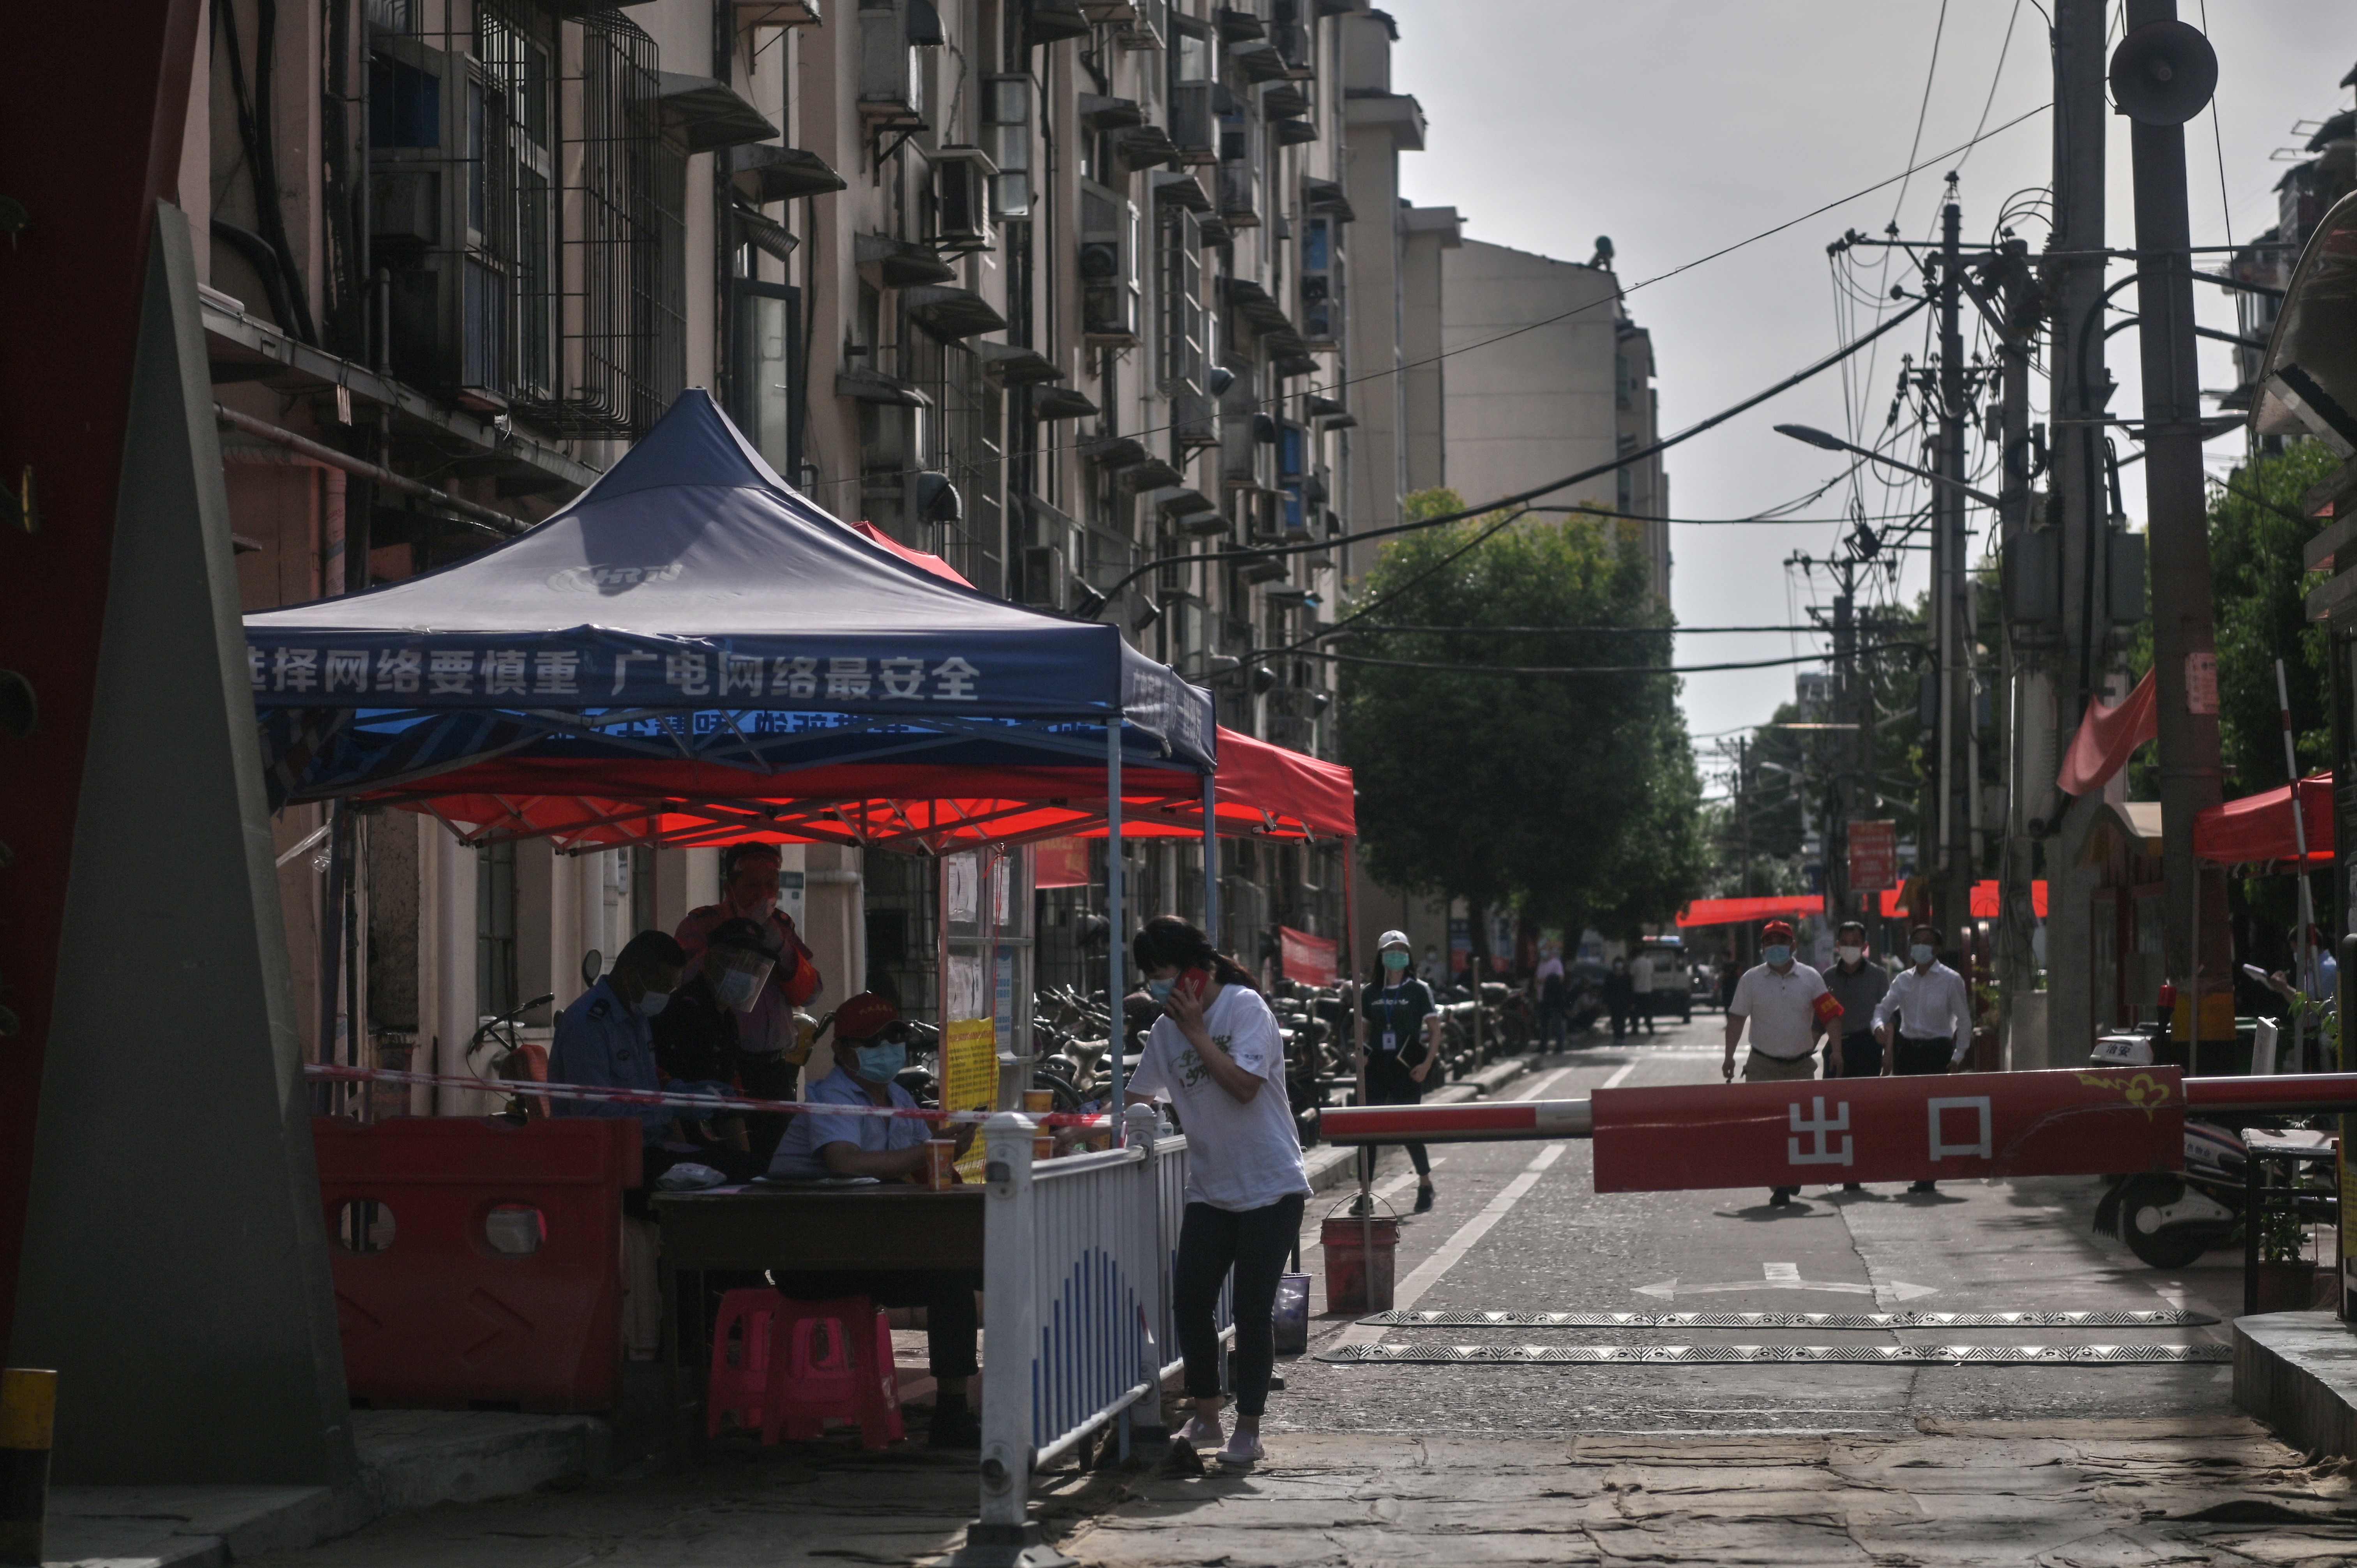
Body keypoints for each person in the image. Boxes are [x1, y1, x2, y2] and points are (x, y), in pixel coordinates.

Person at [1124, 916, 1311, 1472]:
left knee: (1252, 1311)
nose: (1158, 990)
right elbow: (1140, 1097)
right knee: (1190, 1301)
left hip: (1271, 1185)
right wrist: (1091, 1130)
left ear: (1198, 971)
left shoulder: (1245, 1009)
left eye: (1164, 977)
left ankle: (1248, 1429)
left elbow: (1245, 1088)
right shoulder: (1164, 1031)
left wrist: (1200, 1035)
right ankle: (1207, 1413)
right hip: (1210, 1186)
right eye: (1151, 981)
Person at [766, 992, 983, 1448]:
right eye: (873, 1041)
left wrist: (949, 1146)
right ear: (843, 1051)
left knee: (963, 1274)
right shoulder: (830, 1098)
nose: (888, 1048)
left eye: (895, 1037)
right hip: (817, 1259)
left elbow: (922, 1169)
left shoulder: (900, 1098)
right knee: (952, 1277)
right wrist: (929, 1149)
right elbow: (845, 1162)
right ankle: (954, 1414)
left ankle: (955, 1411)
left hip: (875, 1249)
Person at [677, 844, 823, 1157]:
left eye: (771, 884)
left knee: (779, 1159)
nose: (764, 893)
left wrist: (782, 949)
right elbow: (681, 987)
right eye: (753, 885)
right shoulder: (702, 924)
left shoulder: (781, 927)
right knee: (737, 1160)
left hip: (776, 1068)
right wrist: (729, 946)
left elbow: (811, 992)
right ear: (730, 887)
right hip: (726, 1068)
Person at [549, 931, 717, 1188]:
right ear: (631, 976)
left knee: (741, 1168)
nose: (665, 997)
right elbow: (594, 1114)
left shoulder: (636, 1015)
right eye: (661, 987)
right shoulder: (588, 1025)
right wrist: (669, 1109)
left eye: (671, 989)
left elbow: (647, 1087)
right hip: (605, 1162)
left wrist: (688, 1094)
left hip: (647, 1150)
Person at [650, 917, 780, 1178]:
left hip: (713, 1144)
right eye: (739, 963)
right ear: (712, 960)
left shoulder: (726, 1017)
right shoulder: (684, 1011)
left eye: (755, 967)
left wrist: (747, 1161)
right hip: (681, 1150)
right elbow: (666, 1090)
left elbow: (731, 1103)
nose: (749, 975)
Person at [1721, 919, 1839, 1207]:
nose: (1776, 947)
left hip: (1800, 1066)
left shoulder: (1811, 978)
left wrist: (1838, 1050)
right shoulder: (1751, 980)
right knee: (1767, 1130)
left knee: (1799, 1126)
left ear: (1793, 946)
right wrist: (1729, 1057)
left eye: (1781, 941)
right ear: (1763, 948)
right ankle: (1779, 1184)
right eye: (1770, 942)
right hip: (1763, 1066)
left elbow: (1831, 1014)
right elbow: (1737, 1019)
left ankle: (1792, 1174)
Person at [1873, 924, 1975, 1195]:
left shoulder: (1951, 980)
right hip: (1908, 1051)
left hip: (1937, 1052)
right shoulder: (1903, 980)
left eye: (1927, 942)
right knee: (1910, 1114)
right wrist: (1879, 1026)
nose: (1920, 947)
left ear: (1937, 948)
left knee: (1933, 1115)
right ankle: (1919, 1171)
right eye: (1916, 941)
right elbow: (1883, 1009)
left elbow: (1964, 1021)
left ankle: (1929, 1174)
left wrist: (1958, 1055)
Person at [1359, 929, 1439, 1213]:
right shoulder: (1369, 993)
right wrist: (1361, 1055)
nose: (1396, 955)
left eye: (1401, 950)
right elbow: (1364, 1033)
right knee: (1366, 1129)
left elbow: (1435, 1031)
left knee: (1409, 1127)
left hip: (1407, 1066)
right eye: (1390, 951)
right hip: (1379, 1066)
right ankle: (1364, 1194)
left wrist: (1427, 1064)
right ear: (1381, 956)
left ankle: (1426, 1183)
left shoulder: (1419, 990)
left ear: (1408, 956)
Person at [1819, 920, 1889, 1197]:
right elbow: (1819, 1018)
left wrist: (1888, 1054)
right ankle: (1838, 1167)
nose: (1850, 948)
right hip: (1837, 1049)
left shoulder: (1878, 976)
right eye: (1845, 943)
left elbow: (1886, 1015)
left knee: (1862, 1111)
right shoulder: (1827, 978)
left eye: (1855, 942)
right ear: (1838, 946)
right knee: (1834, 1110)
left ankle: (1857, 1170)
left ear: (1865, 946)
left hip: (1867, 1047)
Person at [1534, 946, 1568, 1053]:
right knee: (1543, 1024)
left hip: (1553, 999)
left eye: (1546, 950)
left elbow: (1560, 978)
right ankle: (1543, 1047)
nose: (1543, 953)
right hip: (1542, 998)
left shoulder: (1556, 963)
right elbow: (1537, 979)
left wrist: (1544, 981)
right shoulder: (1541, 964)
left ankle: (1560, 1046)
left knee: (1556, 1023)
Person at [1604, 956, 1635, 1042]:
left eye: (1620, 963)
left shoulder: (1627, 976)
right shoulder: (1610, 976)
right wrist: (1606, 1003)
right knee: (1615, 1020)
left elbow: (1630, 990)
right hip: (1613, 1003)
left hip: (1624, 1002)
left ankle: (1622, 1036)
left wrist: (1632, 1003)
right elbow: (1606, 990)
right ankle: (1616, 1037)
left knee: (1622, 1020)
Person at [1629, 947, 1657, 1034]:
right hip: (1648, 990)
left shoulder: (1635, 963)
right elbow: (1652, 974)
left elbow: (1632, 976)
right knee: (1648, 1011)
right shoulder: (1650, 962)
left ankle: (1635, 1028)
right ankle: (1650, 1027)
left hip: (1637, 990)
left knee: (1635, 1011)